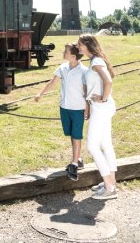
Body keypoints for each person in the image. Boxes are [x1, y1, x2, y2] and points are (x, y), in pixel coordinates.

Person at [35, 43, 88, 181]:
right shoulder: (63, 68)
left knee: (77, 135)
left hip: (78, 108)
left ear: (73, 55)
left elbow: (86, 90)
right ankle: (78, 158)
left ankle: (74, 165)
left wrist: (88, 107)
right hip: (64, 107)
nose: (63, 52)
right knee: (71, 133)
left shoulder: (84, 71)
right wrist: (40, 93)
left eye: (66, 50)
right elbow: (52, 82)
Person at [77, 34, 118, 200]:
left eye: (80, 44)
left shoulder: (96, 62)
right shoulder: (94, 61)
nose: (78, 47)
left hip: (101, 108)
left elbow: (108, 81)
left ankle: (109, 187)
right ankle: (112, 182)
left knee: (93, 146)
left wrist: (102, 99)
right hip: (102, 107)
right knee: (105, 144)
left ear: (87, 45)